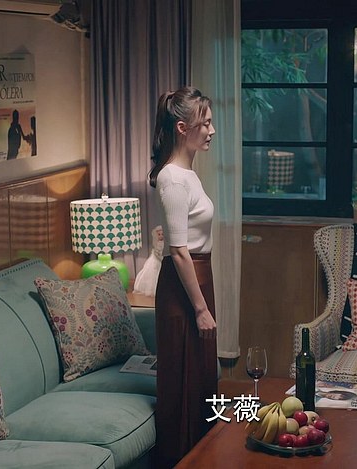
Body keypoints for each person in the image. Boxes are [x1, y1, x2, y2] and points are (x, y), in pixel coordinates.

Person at [148, 86, 217, 468]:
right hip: (184, 287)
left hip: (198, 278)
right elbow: (177, 251)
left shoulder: (187, 174)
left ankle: (205, 457)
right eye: (204, 123)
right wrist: (201, 308)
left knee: (201, 381)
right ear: (181, 128)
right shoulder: (173, 178)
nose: (211, 130)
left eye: (210, 122)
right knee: (184, 384)